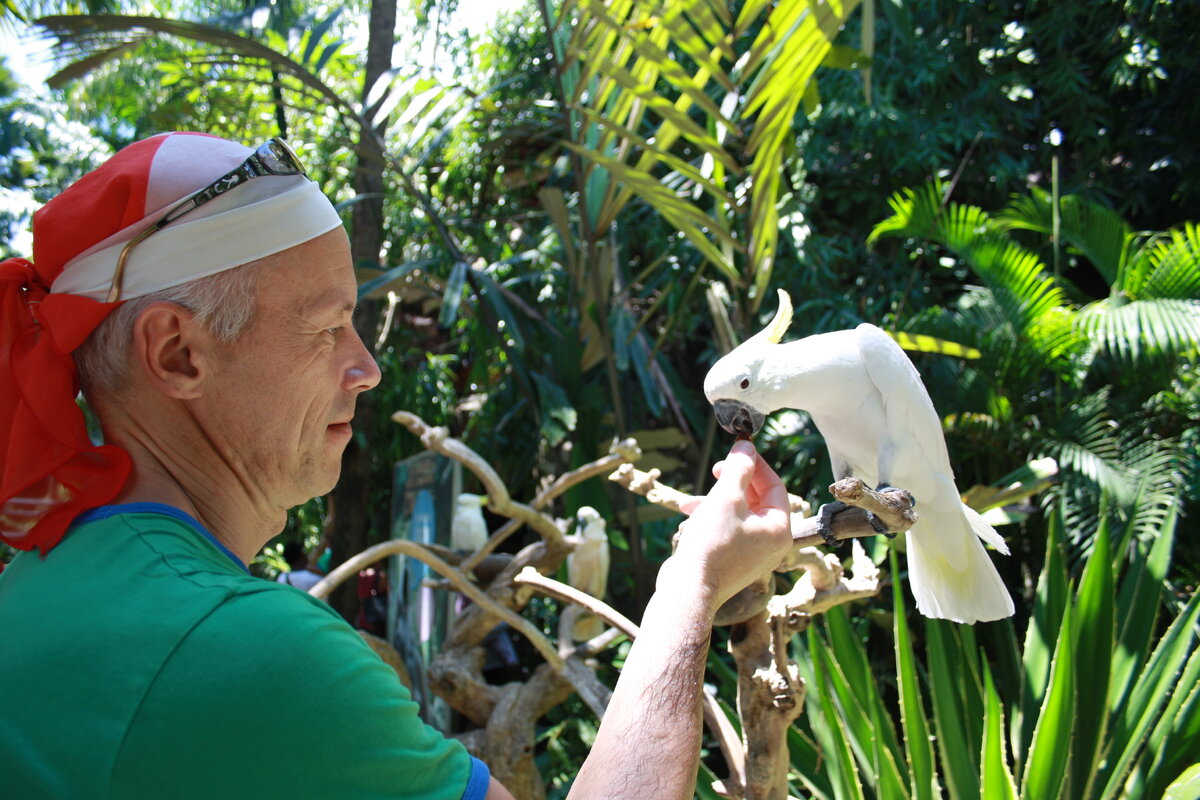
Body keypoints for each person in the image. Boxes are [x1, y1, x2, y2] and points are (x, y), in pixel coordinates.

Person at [0, 132, 793, 799]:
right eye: (328, 327)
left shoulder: (33, 589)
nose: (368, 366)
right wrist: (691, 584)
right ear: (177, 352)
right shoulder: (240, 652)